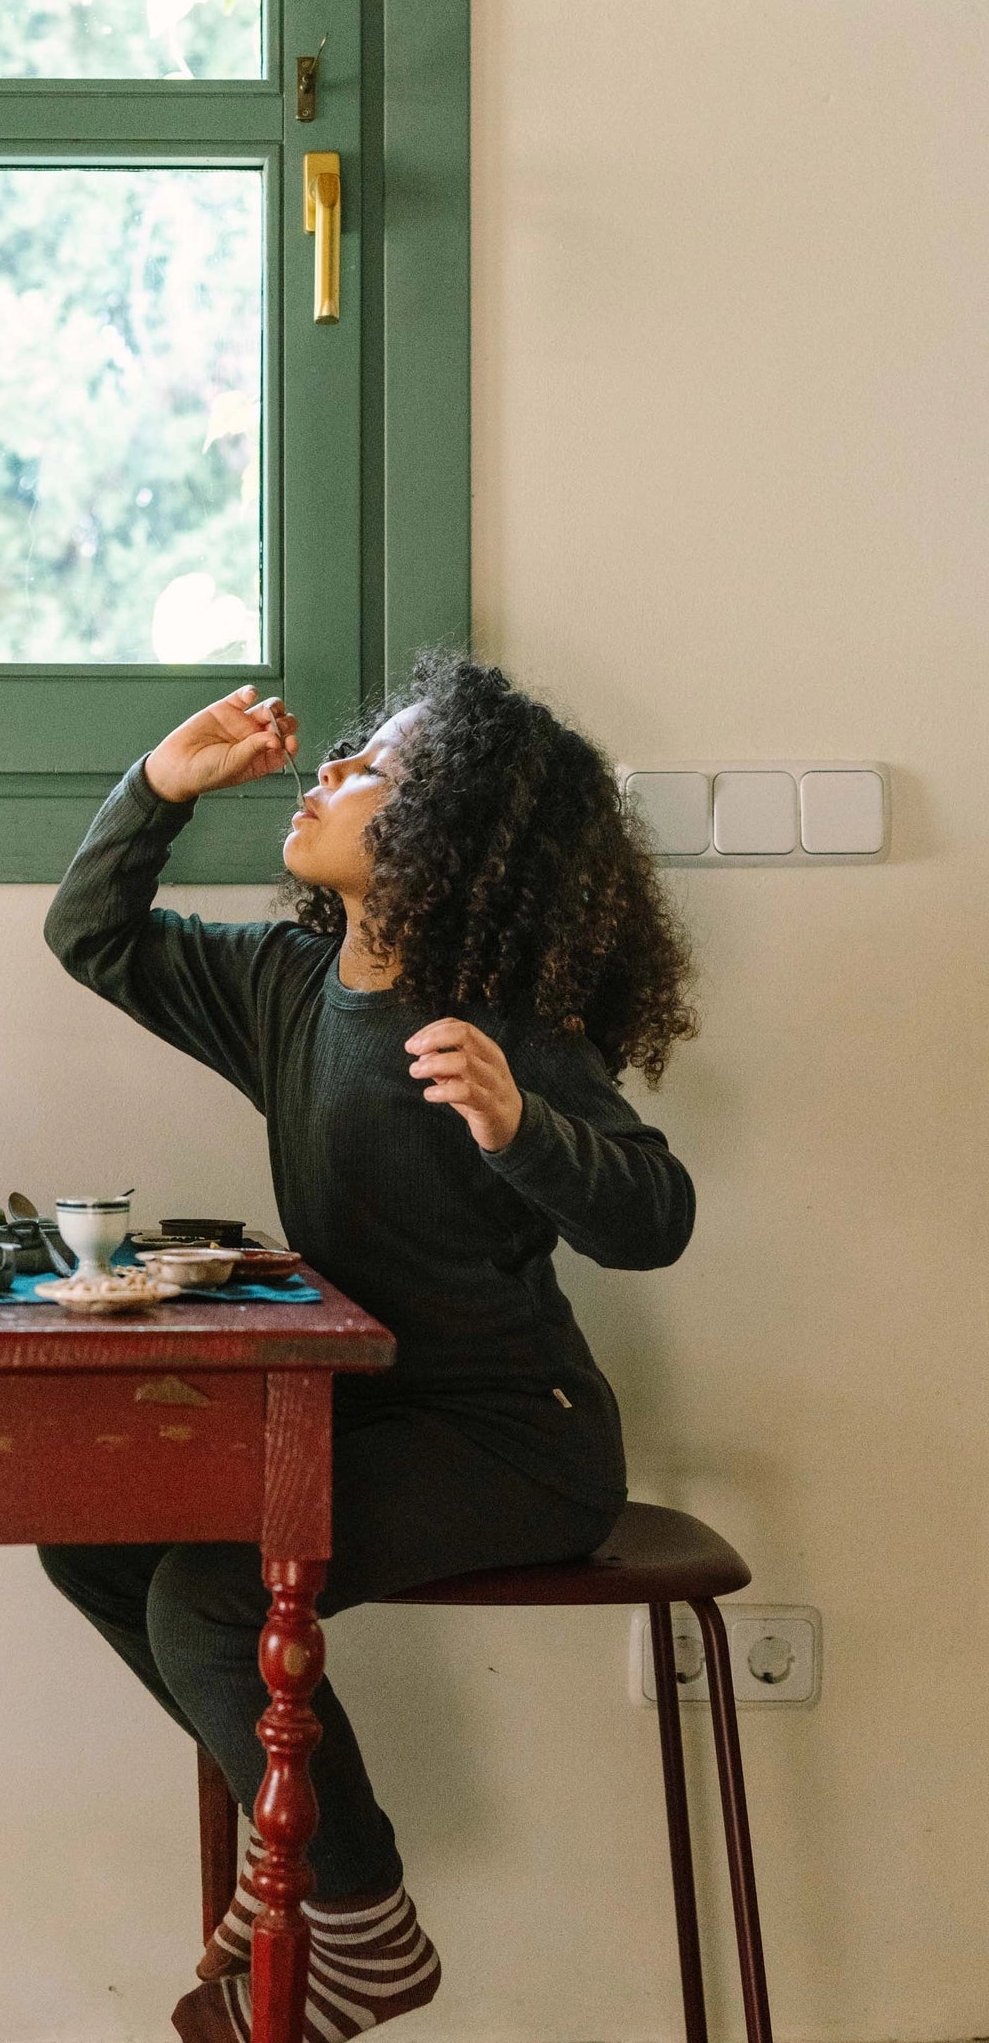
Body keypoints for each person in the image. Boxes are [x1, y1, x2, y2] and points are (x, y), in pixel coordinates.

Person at [38, 654, 698, 2043]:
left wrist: (526, 1129)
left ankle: (358, 1917)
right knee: (91, 1536)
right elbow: (92, 936)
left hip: (520, 1443)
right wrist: (164, 782)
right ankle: (301, 1865)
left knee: (211, 1598)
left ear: (448, 826)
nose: (327, 773)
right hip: (354, 1424)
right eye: (337, 758)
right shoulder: (287, 988)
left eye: (371, 767)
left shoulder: (499, 1027)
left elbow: (653, 1221)